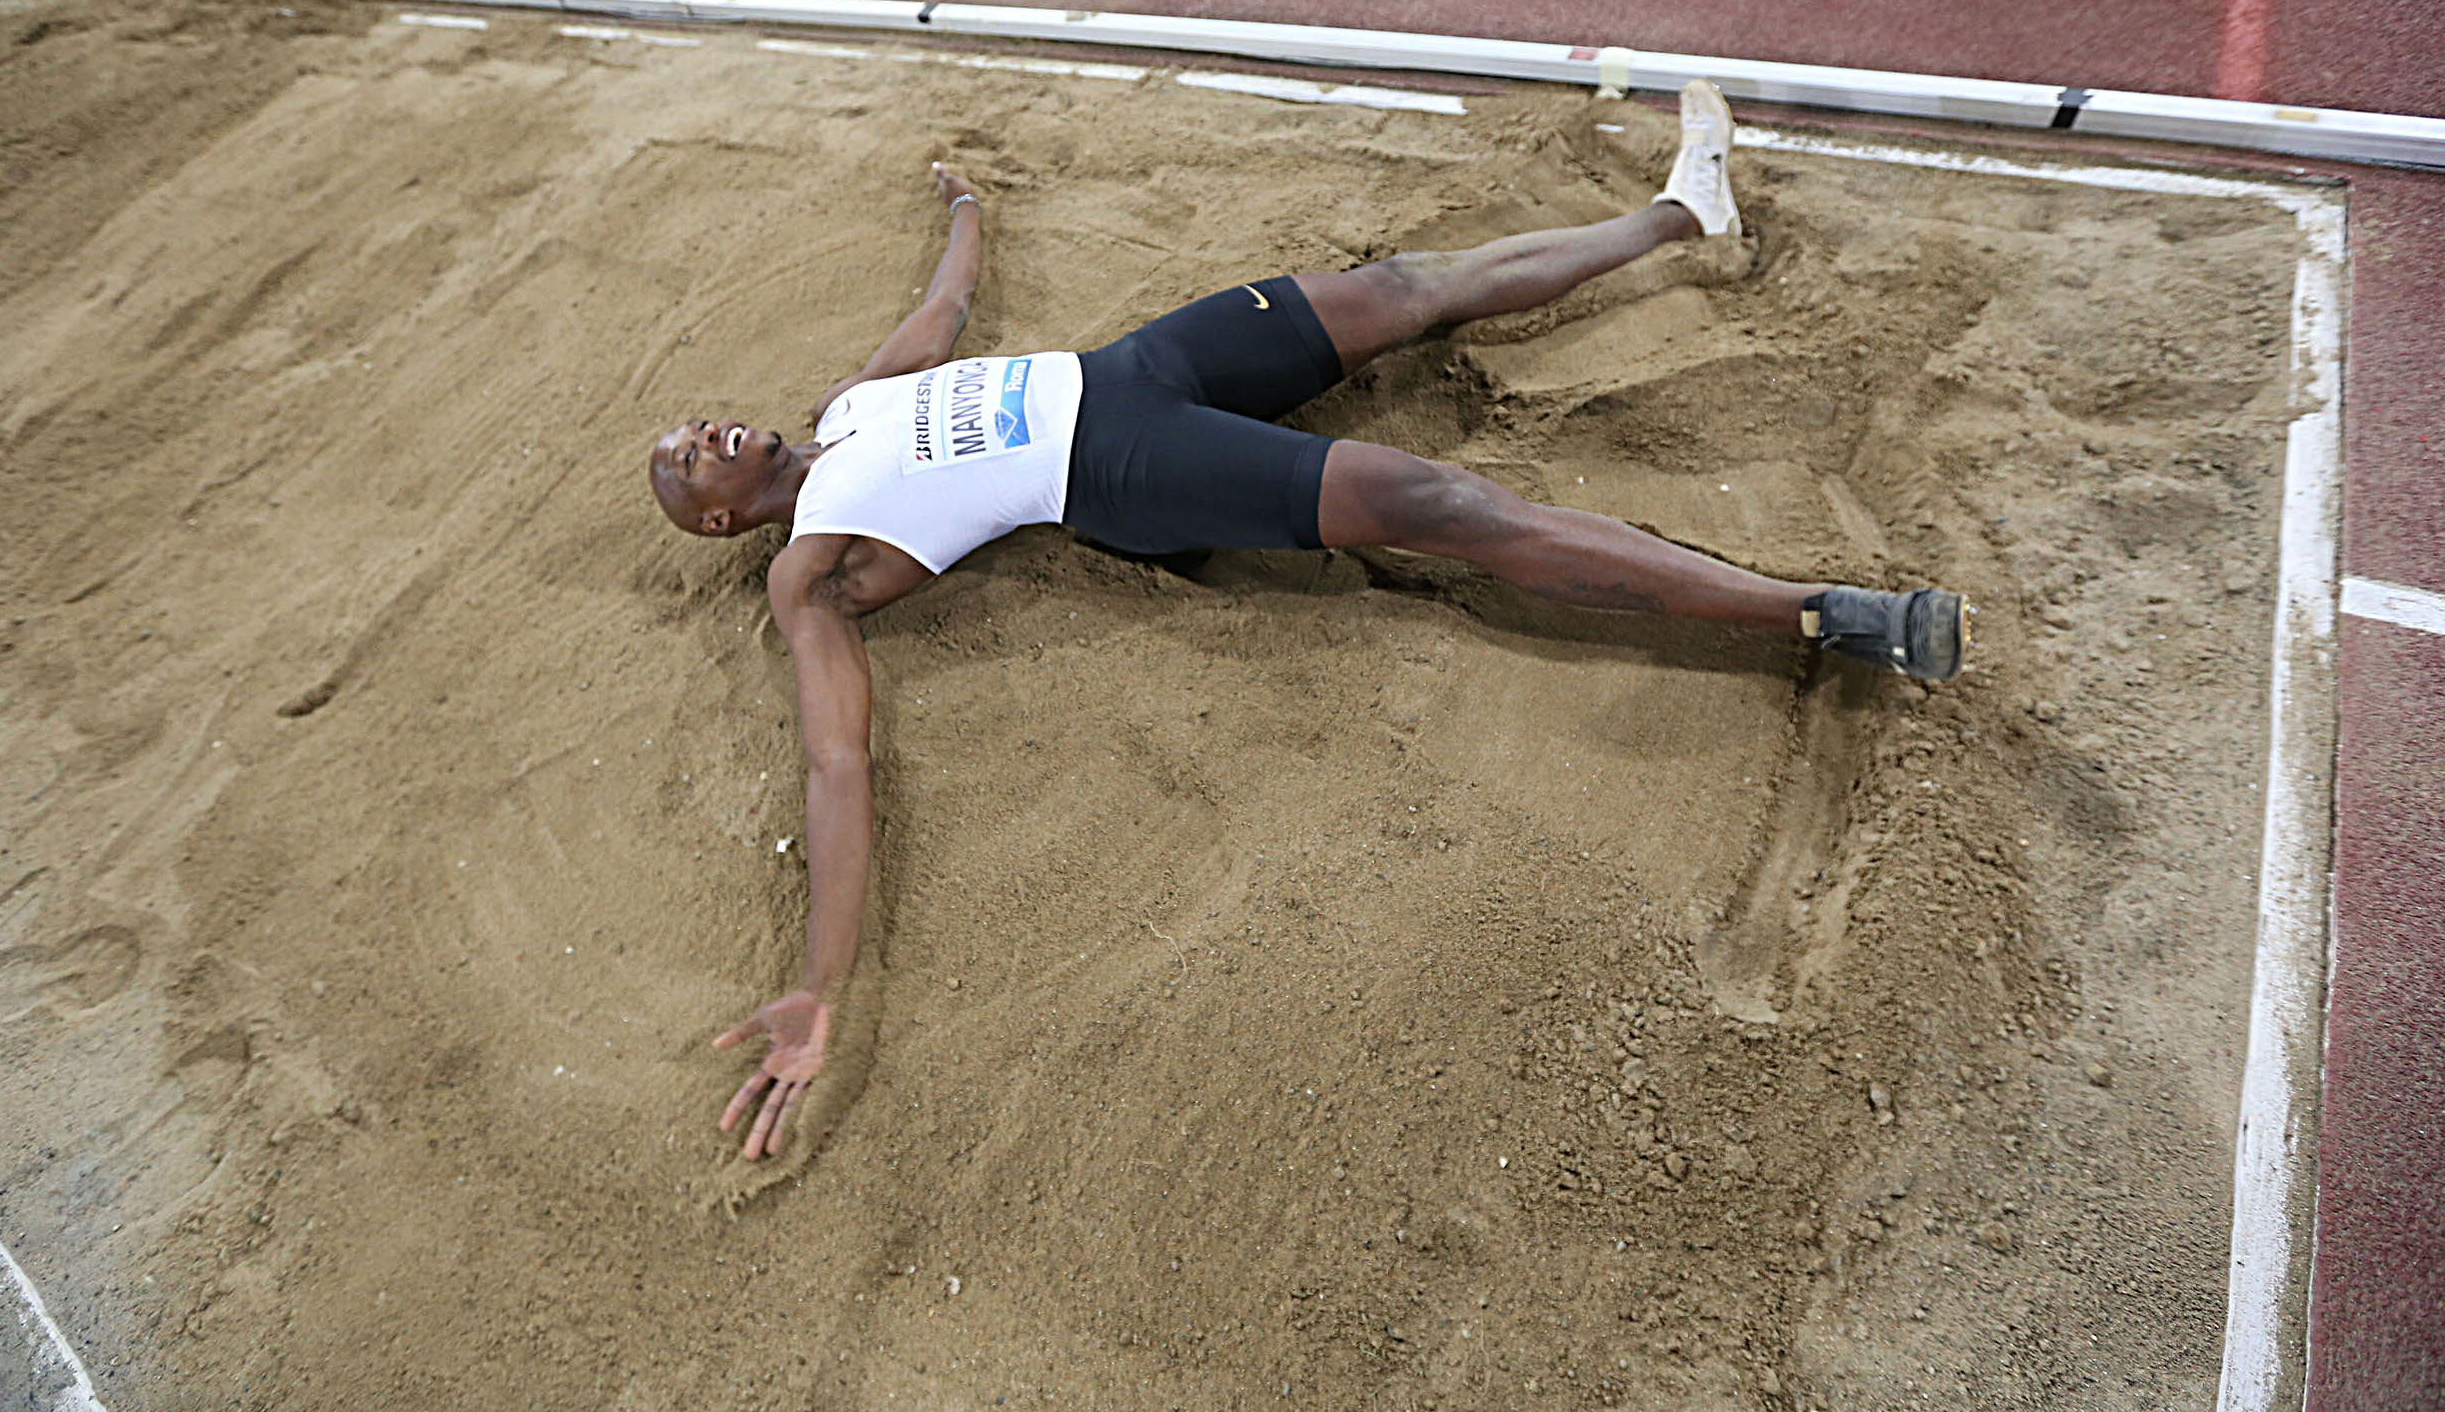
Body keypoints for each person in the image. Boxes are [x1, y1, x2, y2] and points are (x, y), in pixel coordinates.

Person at [649, 82, 1968, 1160]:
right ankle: (1827, 615)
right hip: (1124, 471)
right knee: (1442, 504)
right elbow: (836, 763)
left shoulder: (850, 407)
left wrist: (964, 207)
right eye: (689, 458)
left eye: (694, 423)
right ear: (717, 521)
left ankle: (1680, 211)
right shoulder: (813, 573)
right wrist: (821, 986)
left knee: (1408, 286)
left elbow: (943, 310)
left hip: (1138, 367)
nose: (705, 430)